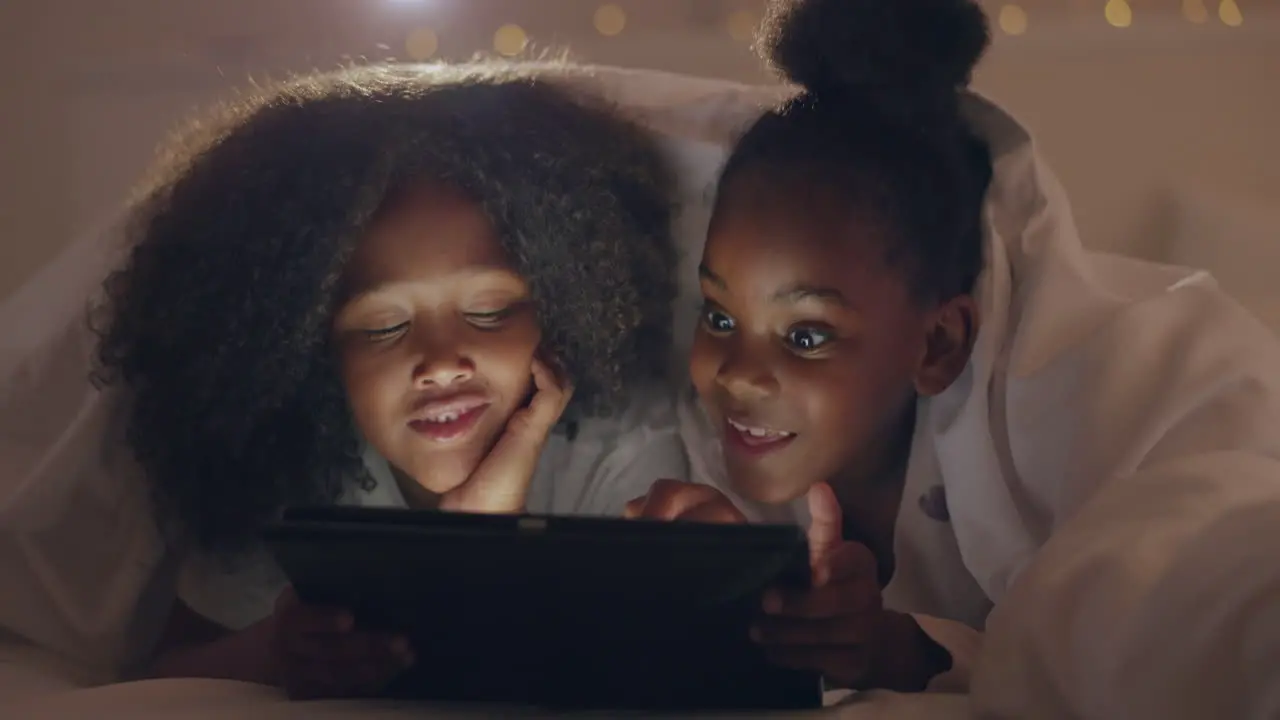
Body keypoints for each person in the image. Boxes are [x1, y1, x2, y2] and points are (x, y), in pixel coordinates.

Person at [626, 0, 1280, 717]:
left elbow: (1166, 635)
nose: (737, 373)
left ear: (938, 343)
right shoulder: (693, 450)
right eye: (720, 315)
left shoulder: (1119, 391)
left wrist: (896, 646)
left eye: (807, 335)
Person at [68, 62, 685, 698]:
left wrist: (482, 543)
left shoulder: (622, 458)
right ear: (307, 351)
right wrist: (270, 654)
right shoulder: (293, 474)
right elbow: (161, 675)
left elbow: (647, 669)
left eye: (489, 313)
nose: (442, 361)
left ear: (564, 309)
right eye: (383, 327)